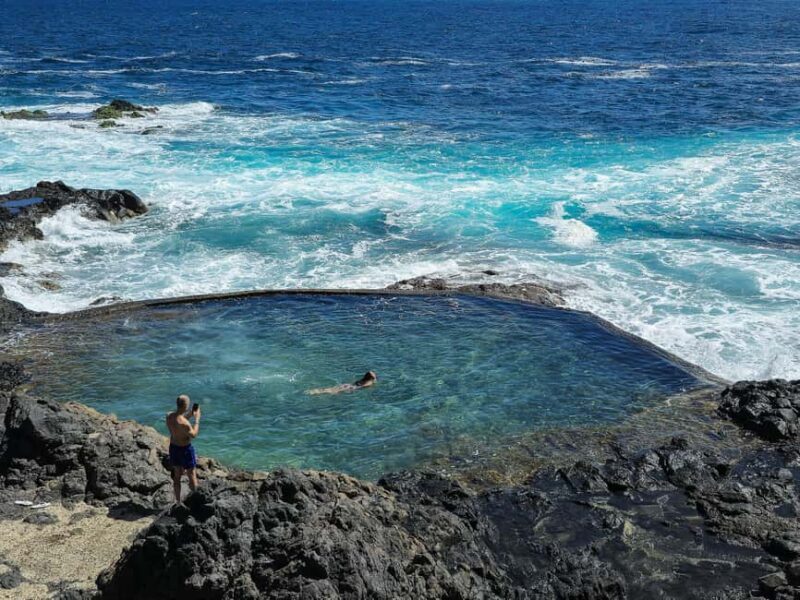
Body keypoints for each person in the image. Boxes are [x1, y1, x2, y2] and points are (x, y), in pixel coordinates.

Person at [165, 394, 201, 504]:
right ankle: (196, 501)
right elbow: (193, 434)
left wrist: (190, 414)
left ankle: (178, 501)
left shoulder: (169, 416)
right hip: (185, 449)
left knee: (177, 476)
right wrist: (197, 419)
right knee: (192, 475)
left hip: (174, 448)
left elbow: (179, 420)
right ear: (186, 405)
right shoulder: (184, 424)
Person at [306, 371, 377, 395]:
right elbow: (363, 387)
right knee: (333, 391)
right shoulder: (369, 383)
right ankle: (314, 392)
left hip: (347, 384)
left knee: (332, 389)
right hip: (351, 387)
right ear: (371, 378)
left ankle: (314, 391)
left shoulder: (362, 379)